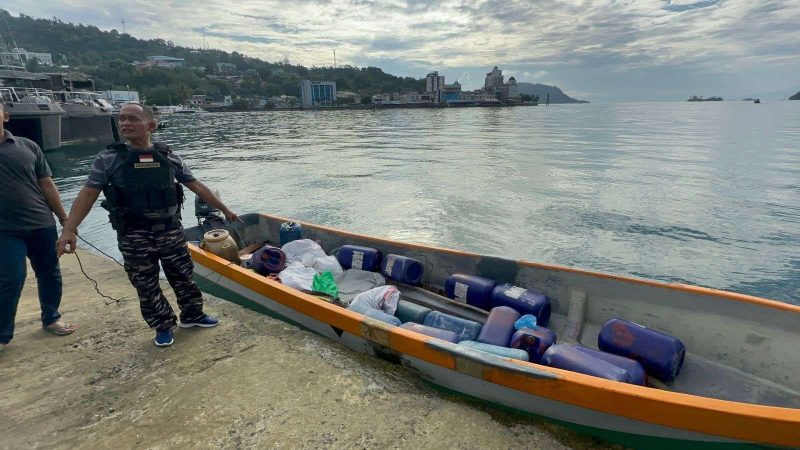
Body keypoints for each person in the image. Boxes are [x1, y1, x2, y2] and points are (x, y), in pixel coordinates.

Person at [56, 103, 238, 347]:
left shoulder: (168, 156)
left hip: (170, 230)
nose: (125, 123)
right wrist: (69, 229)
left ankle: (193, 315)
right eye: (122, 119)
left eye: (133, 119)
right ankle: (163, 325)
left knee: (183, 276)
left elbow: (196, 185)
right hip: (133, 234)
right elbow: (88, 193)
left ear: (151, 125)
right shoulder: (109, 158)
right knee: (145, 283)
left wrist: (225, 209)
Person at [0, 102, 76, 353]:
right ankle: (2, 334)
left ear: (5, 116)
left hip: (41, 223)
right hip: (4, 230)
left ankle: (51, 317)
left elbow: (47, 184)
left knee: (49, 273)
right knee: (11, 278)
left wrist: (65, 220)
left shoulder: (28, 147)